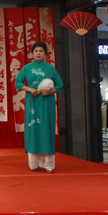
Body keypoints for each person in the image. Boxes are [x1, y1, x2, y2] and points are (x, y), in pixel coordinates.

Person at [15, 42, 63, 173]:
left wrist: (50, 91)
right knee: (33, 130)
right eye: (36, 51)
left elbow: (59, 85)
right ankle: (33, 164)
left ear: (46, 54)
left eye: (41, 51)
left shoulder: (50, 68)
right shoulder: (27, 68)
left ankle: (49, 164)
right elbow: (18, 82)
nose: (38, 53)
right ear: (32, 53)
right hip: (32, 101)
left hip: (46, 103)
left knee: (46, 130)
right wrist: (30, 89)